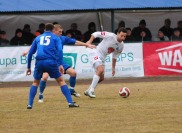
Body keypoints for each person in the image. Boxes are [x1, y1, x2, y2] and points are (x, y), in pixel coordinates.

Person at [23, 24, 96, 103]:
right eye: (59, 31)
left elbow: (75, 42)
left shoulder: (62, 38)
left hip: (59, 61)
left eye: (62, 31)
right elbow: (36, 44)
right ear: (54, 31)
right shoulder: (49, 38)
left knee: (73, 73)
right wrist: (27, 51)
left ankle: (71, 90)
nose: (61, 33)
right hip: (50, 60)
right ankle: (41, 94)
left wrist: (86, 44)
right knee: (44, 78)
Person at [26, 23, 79, 109]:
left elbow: (31, 53)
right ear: (53, 30)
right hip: (51, 61)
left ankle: (29, 104)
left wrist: (28, 67)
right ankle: (70, 102)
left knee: (35, 82)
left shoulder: (38, 38)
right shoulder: (56, 38)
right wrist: (60, 64)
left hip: (39, 62)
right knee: (61, 81)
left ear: (44, 30)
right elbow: (60, 51)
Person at [84, 27, 127, 98]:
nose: (123, 38)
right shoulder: (110, 36)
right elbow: (95, 34)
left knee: (101, 78)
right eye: (121, 35)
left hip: (103, 58)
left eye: (124, 36)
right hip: (96, 52)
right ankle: (91, 90)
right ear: (118, 33)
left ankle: (88, 90)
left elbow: (115, 56)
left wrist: (113, 68)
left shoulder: (121, 46)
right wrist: (89, 41)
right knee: (100, 70)